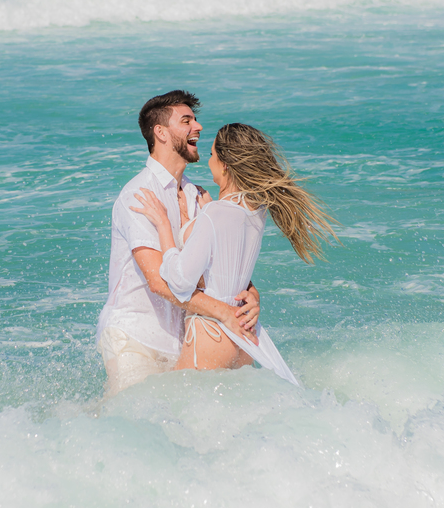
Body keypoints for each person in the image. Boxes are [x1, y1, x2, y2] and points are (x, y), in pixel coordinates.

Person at [130, 122, 335, 385]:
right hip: (245, 342)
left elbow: (180, 281)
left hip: (211, 335)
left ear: (225, 164)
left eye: (213, 155)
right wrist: (206, 213)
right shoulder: (257, 213)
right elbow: (228, 260)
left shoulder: (215, 214)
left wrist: (163, 225)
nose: (209, 161)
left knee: (161, 410)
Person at [96, 91, 260, 397]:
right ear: (160, 132)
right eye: (186, 121)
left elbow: (212, 269)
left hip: (180, 338)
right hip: (135, 336)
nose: (197, 127)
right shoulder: (139, 194)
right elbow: (159, 282)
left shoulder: (198, 197)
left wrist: (250, 295)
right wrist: (225, 313)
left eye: (195, 120)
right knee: (132, 425)